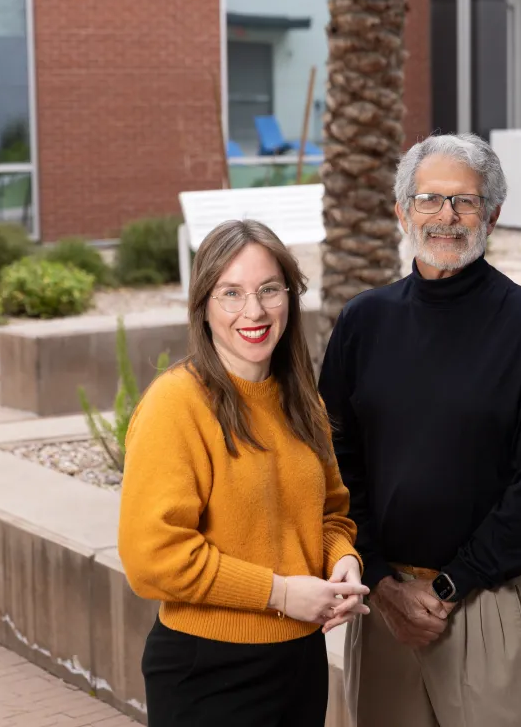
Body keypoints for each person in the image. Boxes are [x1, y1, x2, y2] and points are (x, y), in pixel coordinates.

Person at [318, 133, 521, 727]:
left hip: (493, 602)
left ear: (493, 214)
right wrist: (381, 581)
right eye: (431, 200)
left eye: (465, 202)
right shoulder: (365, 321)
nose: (447, 217)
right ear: (401, 211)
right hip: (385, 607)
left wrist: (449, 586)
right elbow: (333, 463)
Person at [118, 219, 369, 727]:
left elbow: (331, 513)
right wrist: (281, 593)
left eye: (269, 290)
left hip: (299, 663)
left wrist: (343, 560)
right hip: (207, 670)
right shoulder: (176, 404)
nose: (253, 311)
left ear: (290, 298)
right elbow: (152, 557)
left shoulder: (302, 402)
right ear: (203, 306)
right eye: (230, 293)